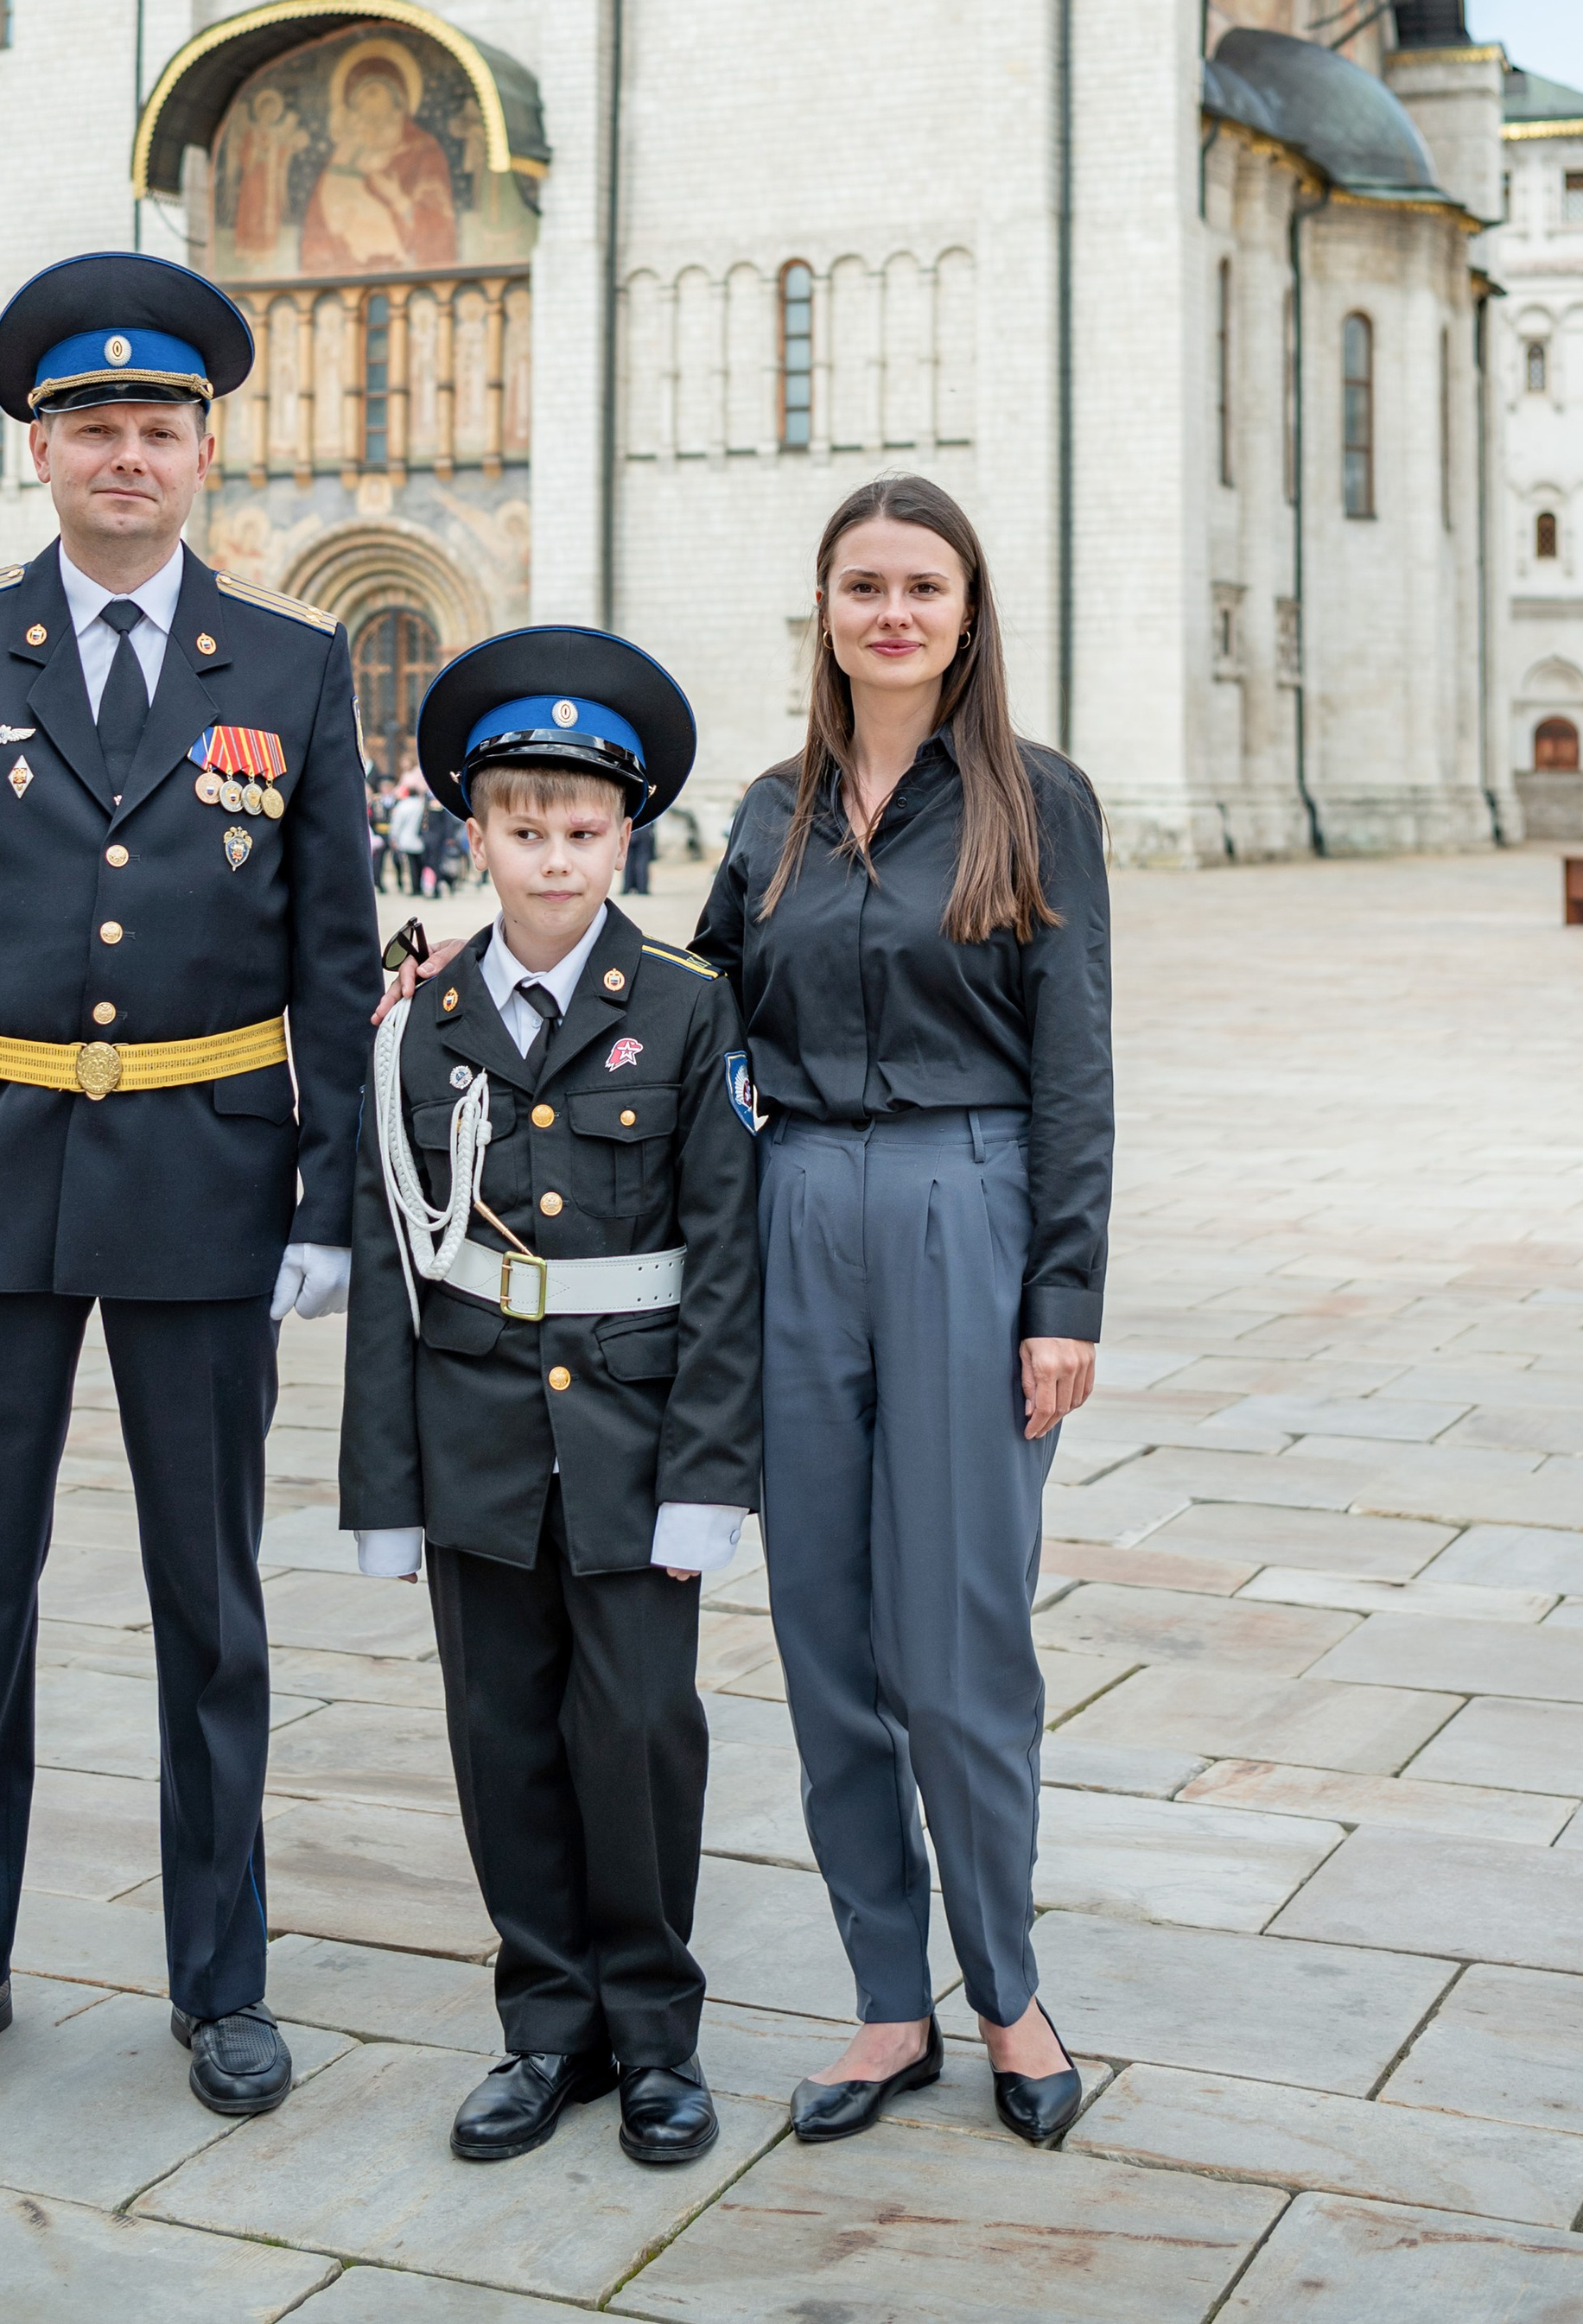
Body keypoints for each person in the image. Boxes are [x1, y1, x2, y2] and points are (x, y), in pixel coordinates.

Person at [0, 250, 378, 2125]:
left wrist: (326, 1203)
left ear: (207, 449)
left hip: (209, 1186)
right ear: (36, 449)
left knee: (208, 1599)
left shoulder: (290, 665)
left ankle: (221, 1981)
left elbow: (334, 965)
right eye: (90, 426)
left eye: (159, 425)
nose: (125, 454)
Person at [692, 473, 1110, 2150]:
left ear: (963, 608)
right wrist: (500, 966)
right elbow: (693, 1009)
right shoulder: (768, 808)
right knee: (825, 1645)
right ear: (824, 608)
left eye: (918, 584)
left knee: (958, 1648)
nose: (888, 610)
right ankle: (886, 2001)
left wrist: (1061, 1292)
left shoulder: (1032, 801)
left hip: (965, 1206)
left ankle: (1005, 1989)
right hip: (796, 1214)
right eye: (860, 583)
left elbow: (1072, 1059)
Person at [341, 628, 761, 2174]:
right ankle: (544, 2023)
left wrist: (714, 1474)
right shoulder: (420, 1018)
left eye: (586, 828)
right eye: (525, 825)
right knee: (501, 1733)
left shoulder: (688, 1005)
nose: (556, 854)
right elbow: (397, 1266)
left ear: (626, 834)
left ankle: (654, 2035)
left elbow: (728, 1264)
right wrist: (384, 1489)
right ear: (476, 832)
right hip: (477, 1444)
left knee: (639, 1731)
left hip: (638, 1443)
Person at [387, 775, 427, 893]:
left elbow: (397, 823)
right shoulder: (421, 804)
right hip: (420, 839)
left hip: (406, 839)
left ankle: (414, 887)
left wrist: (393, 836)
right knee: (420, 865)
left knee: (411, 866)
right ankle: (419, 886)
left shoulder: (403, 805)